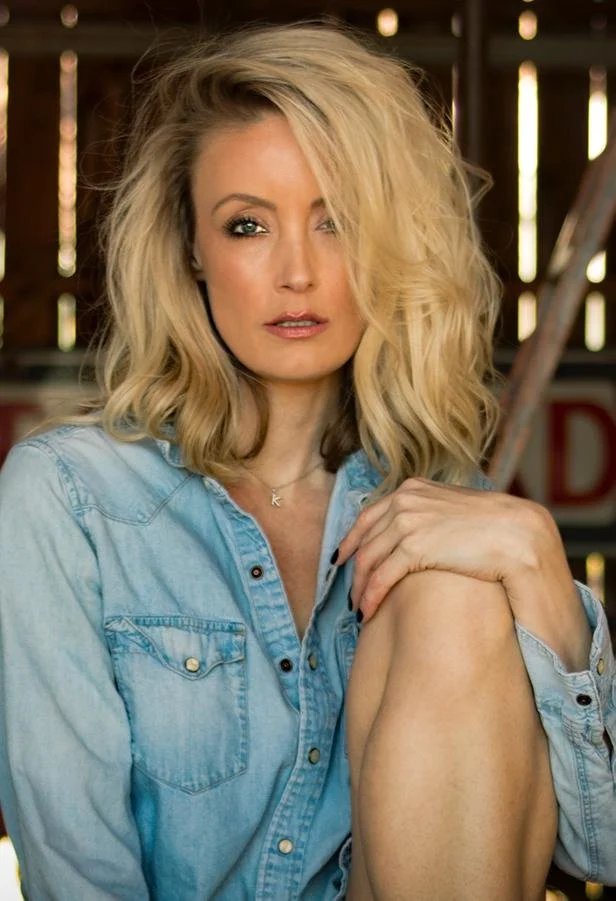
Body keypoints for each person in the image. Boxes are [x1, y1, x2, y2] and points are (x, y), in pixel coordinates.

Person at [0, 21, 613, 901]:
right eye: (248, 225)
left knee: (452, 587)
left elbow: (604, 849)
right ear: (191, 248)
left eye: (338, 221)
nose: (298, 271)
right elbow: (77, 872)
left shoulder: (438, 511)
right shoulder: (69, 499)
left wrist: (541, 571)